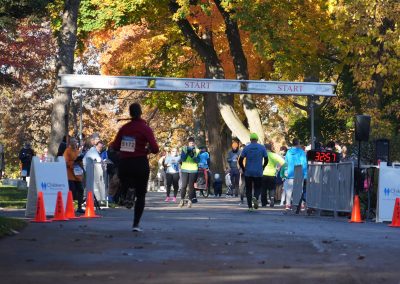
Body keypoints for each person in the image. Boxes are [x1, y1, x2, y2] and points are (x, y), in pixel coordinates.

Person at [110, 102, 159, 232]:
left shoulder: (124, 128)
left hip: (125, 163)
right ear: (141, 112)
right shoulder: (145, 128)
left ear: (130, 113)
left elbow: (114, 146)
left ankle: (128, 190)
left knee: (125, 180)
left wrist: (124, 148)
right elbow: (155, 148)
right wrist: (146, 149)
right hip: (140, 163)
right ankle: (135, 224)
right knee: (141, 195)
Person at [238, 133, 268, 211]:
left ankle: (250, 207)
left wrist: (243, 168)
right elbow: (266, 159)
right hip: (258, 171)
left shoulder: (246, 148)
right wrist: (263, 167)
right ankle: (256, 197)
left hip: (248, 171)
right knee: (258, 187)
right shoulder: (262, 148)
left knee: (248, 189)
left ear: (250, 139)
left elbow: (240, 160)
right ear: (257, 139)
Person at [281, 138, 307, 210]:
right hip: (299, 174)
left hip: (289, 174)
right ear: (298, 143)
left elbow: (286, 163)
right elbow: (304, 164)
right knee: (299, 190)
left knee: (289, 191)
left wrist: (284, 174)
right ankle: (301, 205)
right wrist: (305, 175)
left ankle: (288, 205)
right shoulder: (302, 152)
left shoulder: (289, 152)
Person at [63, 138, 85, 213]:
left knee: (81, 190)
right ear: (70, 143)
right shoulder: (67, 151)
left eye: (76, 142)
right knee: (72, 191)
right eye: (74, 142)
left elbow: (80, 162)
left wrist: (81, 166)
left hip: (78, 174)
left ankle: (79, 207)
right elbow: (65, 162)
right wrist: (73, 163)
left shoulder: (78, 151)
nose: (75, 144)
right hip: (70, 175)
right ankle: (70, 207)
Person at [261, 143, 285, 207]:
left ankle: (264, 202)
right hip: (272, 174)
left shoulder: (261, 155)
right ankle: (272, 199)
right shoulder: (274, 155)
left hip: (263, 174)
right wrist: (279, 168)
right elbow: (283, 162)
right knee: (272, 188)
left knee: (263, 189)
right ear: (270, 148)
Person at [179, 137, 199, 208]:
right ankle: (182, 200)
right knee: (183, 185)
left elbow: (197, 161)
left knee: (191, 186)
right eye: (190, 143)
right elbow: (182, 159)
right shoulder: (184, 149)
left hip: (193, 170)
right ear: (188, 143)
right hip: (185, 169)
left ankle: (190, 201)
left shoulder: (197, 150)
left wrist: (193, 156)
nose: (191, 145)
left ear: (194, 144)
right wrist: (187, 152)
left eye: (193, 143)